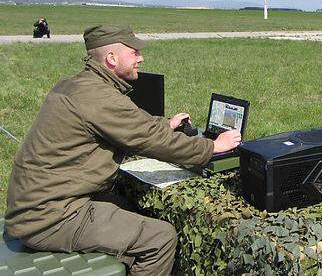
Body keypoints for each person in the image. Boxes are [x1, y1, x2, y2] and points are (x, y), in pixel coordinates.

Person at [4, 25, 241, 275]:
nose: (141, 57)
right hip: (50, 217)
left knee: (130, 207)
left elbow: (132, 125)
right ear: (112, 58)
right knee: (160, 239)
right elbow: (152, 141)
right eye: (134, 52)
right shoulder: (99, 97)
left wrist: (166, 124)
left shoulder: (80, 85)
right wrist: (214, 146)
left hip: (42, 204)